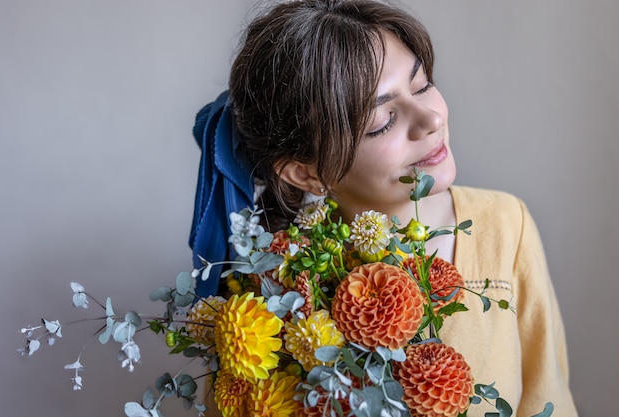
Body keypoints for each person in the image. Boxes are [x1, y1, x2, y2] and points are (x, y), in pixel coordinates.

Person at [189, 0, 579, 415]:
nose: (430, 118)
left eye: (423, 84)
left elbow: (548, 397)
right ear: (305, 173)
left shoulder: (505, 225)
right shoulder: (273, 295)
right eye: (382, 120)